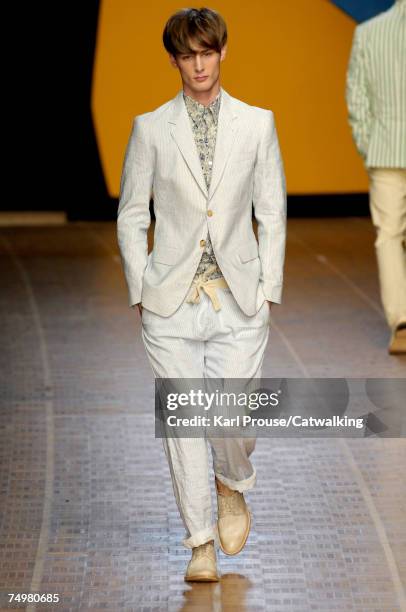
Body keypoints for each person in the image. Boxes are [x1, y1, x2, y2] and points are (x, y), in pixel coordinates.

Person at [116, 7, 287, 581]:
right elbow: (132, 214)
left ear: (221, 53)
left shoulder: (257, 124)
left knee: (234, 416)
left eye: (206, 52)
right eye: (187, 55)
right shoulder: (150, 128)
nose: (198, 64)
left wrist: (270, 287)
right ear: (173, 59)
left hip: (239, 297)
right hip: (170, 301)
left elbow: (272, 210)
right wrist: (141, 283)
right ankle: (200, 544)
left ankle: (232, 483)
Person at [346, 0, 406, 354]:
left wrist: (370, 145)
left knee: (388, 236)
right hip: (383, 147)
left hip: (385, 150)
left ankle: (402, 323)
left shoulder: (368, 32)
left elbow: (357, 98)